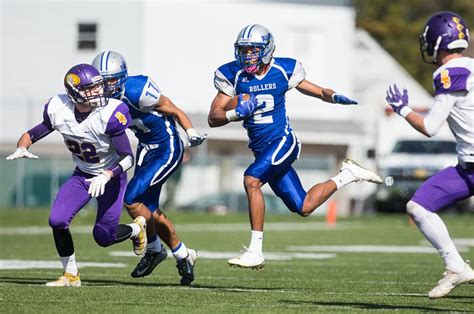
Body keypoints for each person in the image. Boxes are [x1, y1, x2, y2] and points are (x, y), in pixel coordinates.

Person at [208, 24, 383, 269]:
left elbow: (318, 90)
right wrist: (235, 113)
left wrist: (333, 97)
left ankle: (255, 251)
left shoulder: (283, 68)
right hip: (261, 149)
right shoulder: (233, 74)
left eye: (253, 50)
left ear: (266, 49)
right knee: (304, 206)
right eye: (244, 49)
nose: (247, 55)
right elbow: (213, 117)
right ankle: (348, 175)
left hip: (283, 141)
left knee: (251, 180)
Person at [6, 64, 147, 287]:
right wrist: (23, 147)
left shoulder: (111, 112)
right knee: (57, 220)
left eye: (99, 86)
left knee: (103, 237)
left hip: (110, 178)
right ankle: (71, 275)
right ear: (74, 92)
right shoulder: (59, 108)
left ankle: (136, 229)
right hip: (82, 175)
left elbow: (127, 157)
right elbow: (33, 133)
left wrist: (107, 174)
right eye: (91, 89)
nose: (98, 92)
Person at [92, 51, 206, 285]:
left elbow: (173, 109)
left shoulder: (136, 90)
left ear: (122, 77)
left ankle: (154, 249)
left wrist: (191, 132)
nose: (105, 87)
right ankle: (183, 254)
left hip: (167, 146)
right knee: (149, 210)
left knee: (132, 198)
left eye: (110, 81)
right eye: (101, 82)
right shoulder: (100, 101)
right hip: (145, 148)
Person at [385, 11, 474, 299]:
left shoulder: (449, 72)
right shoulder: (470, 67)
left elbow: (430, 127)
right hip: (466, 167)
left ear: (438, 41)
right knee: (419, 206)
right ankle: (456, 266)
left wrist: (403, 109)